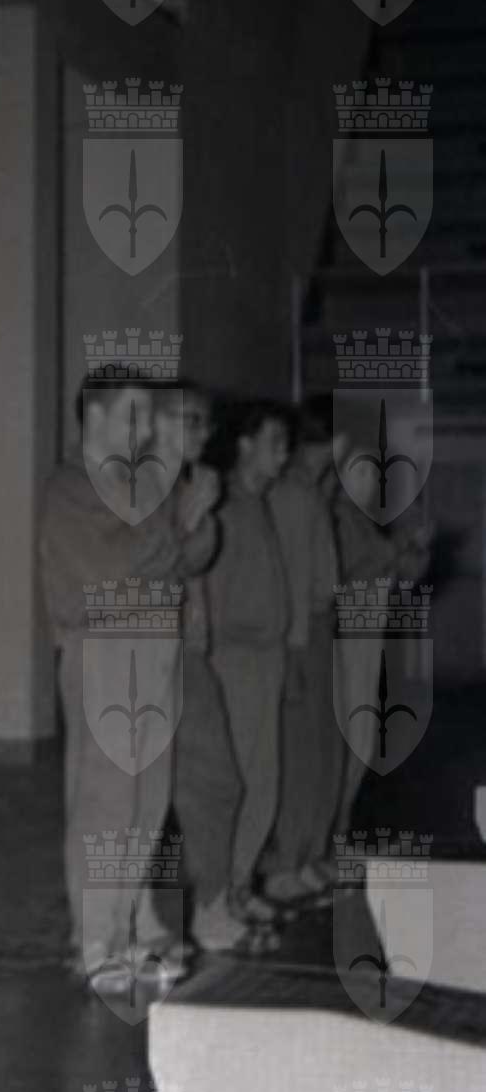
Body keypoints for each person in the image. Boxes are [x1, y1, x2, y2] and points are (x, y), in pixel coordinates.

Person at [39, 372, 220, 993]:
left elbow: (186, 558)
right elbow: (110, 572)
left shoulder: (138, 484)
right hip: (105, 648)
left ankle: (127, 930)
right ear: (95, 416)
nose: (145, 431)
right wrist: (181, 525)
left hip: (154, 646)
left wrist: (191, 522)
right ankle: (95, 943)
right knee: (107, 802)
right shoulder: (72, 486)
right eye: (133, 416)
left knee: (148, 801)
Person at [154, 382, 243, 959]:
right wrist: (192, 516)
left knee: (216, 780)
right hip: (144, 655)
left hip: (186, 651)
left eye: (205, 423)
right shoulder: (138, 489)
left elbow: (197, 560)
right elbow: (153, 565)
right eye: (189, 420)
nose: (202, 434)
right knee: (152, 797)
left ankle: (210, 903)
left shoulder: (188, 485)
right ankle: (178, 917)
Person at [201, 400, 294, 945]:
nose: (283, 455)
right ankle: (222, 894)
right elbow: (216, 600)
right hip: (236, 660)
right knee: (236, 781)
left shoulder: (260, 505)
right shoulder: (228, 507)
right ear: (245, 445)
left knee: (264, 780)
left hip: (266, 658)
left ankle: (240, 884)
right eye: (274, 443)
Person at [331, 424, 435, 842]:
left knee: (359, 742)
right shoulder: (336, 518)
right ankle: (328, 835)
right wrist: (402, 546)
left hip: (367, 645)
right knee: (344, 743)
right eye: (360, 471)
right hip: (343, 646)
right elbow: (356, 564)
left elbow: (398, 578)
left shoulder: (368, 524)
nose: (370, 481)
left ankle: (336, 832)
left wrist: (416, 551)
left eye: (375, 473)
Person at [262, 398, 344, 912]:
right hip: (303, 633)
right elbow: (292, 580)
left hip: (317, 629)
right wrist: (293, 650)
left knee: (320, 752)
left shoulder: (311, 491)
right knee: (299, 755)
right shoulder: (293, 495)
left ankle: (308, 855)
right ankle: (285, 865)